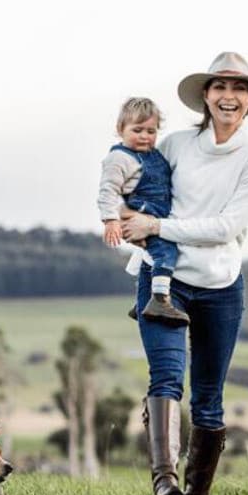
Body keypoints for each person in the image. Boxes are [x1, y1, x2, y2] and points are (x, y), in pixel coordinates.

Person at [121, 51, 248, 495]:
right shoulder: (173, 145)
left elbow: (226, 227)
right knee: (166, 377)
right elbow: (139, 188)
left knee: (208, 395)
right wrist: (129, 217)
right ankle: (165, 484)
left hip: (220, 285)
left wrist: (159, 228)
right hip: (161, 278)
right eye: (220, 87)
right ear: (205, 96)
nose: (228, 97)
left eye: (238, 90)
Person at [96, 97, 190, 326]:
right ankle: (159, 300)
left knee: (153, 255)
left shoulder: (152, 154)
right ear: (120, 129)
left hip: (158, 213)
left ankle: (141, 303)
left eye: (151, 131)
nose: (145, 136)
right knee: (165, 253)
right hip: (144, 213)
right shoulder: (119, 158)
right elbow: (108, 190)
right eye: (137, 130)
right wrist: (110, 220)